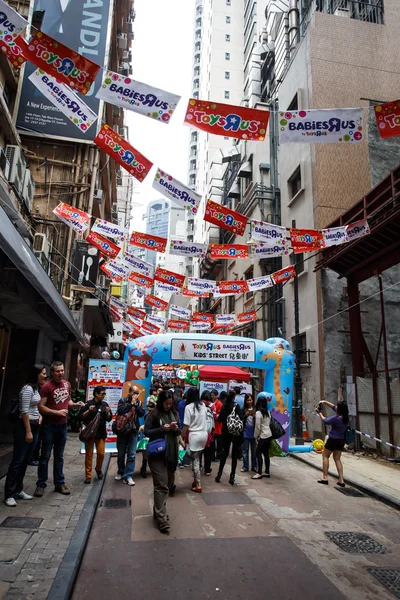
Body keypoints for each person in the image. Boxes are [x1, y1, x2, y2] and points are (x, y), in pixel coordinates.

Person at [34, 362, 84, 497]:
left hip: (63, 426)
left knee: (59, 456)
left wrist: (75, 405)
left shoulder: (67, 384)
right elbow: (41, 406)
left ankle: (59, 483)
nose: (61, 373)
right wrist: (57, 413)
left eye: (62, 370)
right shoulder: (46, 387)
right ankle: (41, 484)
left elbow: (67, 401)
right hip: (49, 426)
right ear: (52, 373)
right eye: (57, 371)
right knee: (45, 455)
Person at [4, 365, 47, 507]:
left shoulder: (36, 388)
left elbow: (34, 407)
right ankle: (9, 494)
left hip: (35, 426)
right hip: (24, 427)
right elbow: (24, 411)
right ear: (36, 374)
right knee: (17, 460)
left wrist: (39, 416)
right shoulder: (27, 389)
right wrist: (28, 431)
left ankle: (18, 489)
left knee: (25, 460)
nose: (45, 376)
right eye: (43, 373)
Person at [144, 391, 181, 534]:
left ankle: (158, 510)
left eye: (170, 404)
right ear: (161, 402)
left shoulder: (175, 414)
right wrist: (161, 429)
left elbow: (178, 433)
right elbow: (147, 432)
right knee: (161, 485)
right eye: (166, 404)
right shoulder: (153, 414)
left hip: (171, 454)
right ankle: (161, 519)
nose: (168, 406)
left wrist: (175, 429)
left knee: (168, 484)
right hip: (157, 454)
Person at [81, 386, 112, 484]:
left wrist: (107, 413)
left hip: (101, 433)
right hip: (90, 433)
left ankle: (98, 469)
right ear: (96, 394)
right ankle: (88, 475)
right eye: (102, 393)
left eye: (104, 394)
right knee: (89, 454)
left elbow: (109, 418)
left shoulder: (105, 405)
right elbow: (81, 416)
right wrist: (88, 411)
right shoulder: (89, 404)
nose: (104, 395)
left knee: (101, 453)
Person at [115, 386, 144, 486]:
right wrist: (130, 404)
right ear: (130, 392)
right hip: (123, 431)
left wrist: (136, 406)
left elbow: (141, 414)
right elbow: (121, 410)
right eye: (134, 393)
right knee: (121, 453)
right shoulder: (122, 400)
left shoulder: (139, 402)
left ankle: (128, 476)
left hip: (133, 430)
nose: (136, 395)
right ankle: (120, 471)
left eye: (137, 393)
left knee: (132, 454)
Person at [180, 387, 208, 492]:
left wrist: (181, 435)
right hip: (204, 435)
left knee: (195, 460)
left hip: (194, 437)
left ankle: (198, 484)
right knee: (196, 458)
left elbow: (186, 425)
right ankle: (196, 481)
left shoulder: (188, 407)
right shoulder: (203, 405)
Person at [316, 400, 349, 487]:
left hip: (333, 439)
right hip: (341, 440)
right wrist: (325, 402)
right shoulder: (346, 417)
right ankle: (341, 479)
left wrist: (320, 413)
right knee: (337, 459)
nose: (336, 408)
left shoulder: (336, 419)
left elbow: (325, 421)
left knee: (325, 456)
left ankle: (325, 477)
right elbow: (334, 407)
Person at [215, 390, 243, 485]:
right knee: (234, 455)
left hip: (225, 432)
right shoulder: (236, 406)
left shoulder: (224, 407)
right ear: (233, 397)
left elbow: (220, 419)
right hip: (235, 432)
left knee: (224, 453)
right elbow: (241, 418)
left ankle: (219, 475)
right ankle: (232, 476)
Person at [252, 395, 272, 480]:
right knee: (266, 454)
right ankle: (267, 472)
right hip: (269, 435)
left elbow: (257, 427)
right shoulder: (268, 412)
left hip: (263, 436)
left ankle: (259, 472)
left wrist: (255, 436)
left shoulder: (258, 413)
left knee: (258, 453)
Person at [138, 397, 156, 478]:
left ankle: (144, 469)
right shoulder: (150, 415)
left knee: (147, 455)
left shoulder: (151, 415)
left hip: (149, 437)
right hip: (150, 437)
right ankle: (144, 469)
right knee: (148, 455)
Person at [201, 390, 216, 476]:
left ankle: (198, 466)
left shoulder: (199, 405)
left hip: (199, 430)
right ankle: (207, 469)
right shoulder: (212, 406)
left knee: (199, 451)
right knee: (208, 452)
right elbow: (214, 417)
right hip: (209, 433)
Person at [242, 394, 257, 473]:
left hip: (254, 432)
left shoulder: (256, 409)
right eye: (248, 400)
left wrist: (254, 415)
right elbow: (241, 419)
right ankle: (245, 466)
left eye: (250, 400)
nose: (249, 402)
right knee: (245, 450)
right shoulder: (243, 409)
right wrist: (245, 415)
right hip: (245, 432)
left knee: (254, 451)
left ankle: (254, 466)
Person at [213, 390, 224, 461]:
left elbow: (220, 414)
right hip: (213, 426)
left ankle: (219, 456)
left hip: (219, 426)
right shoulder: (211, 403)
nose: (212, 396)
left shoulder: (219, 404)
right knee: (212, 443)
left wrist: (215, 416)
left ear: (217, 396)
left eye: (213, 395)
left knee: (219, 443)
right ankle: (212, 456)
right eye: (211, 395)